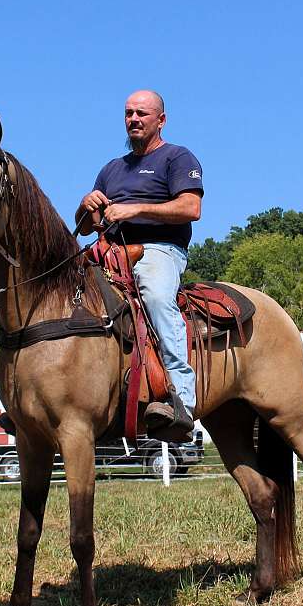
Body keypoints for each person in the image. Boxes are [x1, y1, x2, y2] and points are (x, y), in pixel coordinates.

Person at [76, 89, 203, 440]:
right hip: (109, 251)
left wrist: (135, 209)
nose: (133, 119)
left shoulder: (176, 158)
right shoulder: (111, 169)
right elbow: (87, 224)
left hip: (158, 250)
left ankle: (181, 399)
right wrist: (85, 205)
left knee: (158, 298)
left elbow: (191, 208)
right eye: (129, 113)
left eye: (142, 113)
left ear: (160, 120)